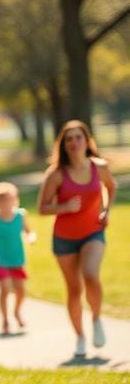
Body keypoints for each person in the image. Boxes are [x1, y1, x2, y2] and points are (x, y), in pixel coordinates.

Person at [37, 120, 117, 358]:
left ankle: (96, 317)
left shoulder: (98, 167)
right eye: (69, 139)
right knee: (74, 289)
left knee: (91, 274)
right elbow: (42, 208)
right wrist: (64, 207)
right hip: (64, 239)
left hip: (93, 231)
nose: (74, 142)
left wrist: (106, 211)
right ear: (64, 144)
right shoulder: (57, 174)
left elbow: (111, 187)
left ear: (86, 140)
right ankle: (80, 337)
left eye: (78, 137)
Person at [0, 182, 36, 334]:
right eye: (3, 200)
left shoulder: (21, 216)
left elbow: (29, 231)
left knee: (21, 291)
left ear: (15, 199)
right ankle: (5, 319)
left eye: (10, 199)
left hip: (17, 259)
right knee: (5, 289)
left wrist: (31, 238)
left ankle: (17, 312)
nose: (7, 203)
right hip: (1, 260)